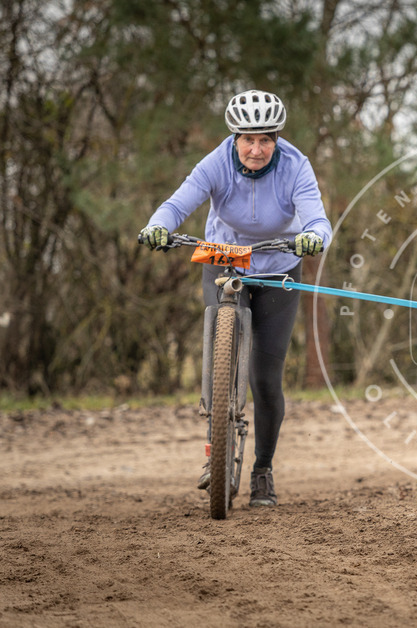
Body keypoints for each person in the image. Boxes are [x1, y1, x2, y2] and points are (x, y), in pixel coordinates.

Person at [139, 89, 332, 507]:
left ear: (277, 138)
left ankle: (263, 469)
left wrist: (314, 237)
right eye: (248, 139)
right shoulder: (216, 162)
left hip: (279, 267)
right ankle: (216, 453)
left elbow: (316, 216)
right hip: (224, 260)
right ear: (235, 138)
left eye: (266, 139)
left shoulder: (297, 166)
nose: (257, 149)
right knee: (217, 365)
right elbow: (178, 203)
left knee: (265, 378)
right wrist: (158, 225)